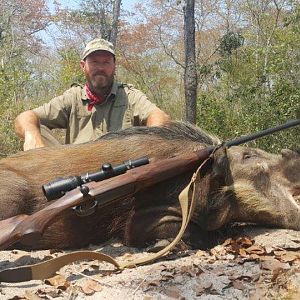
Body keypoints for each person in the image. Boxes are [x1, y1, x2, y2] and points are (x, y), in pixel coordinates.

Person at [15, 38, 170, 151]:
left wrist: (152, 141)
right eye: (94, 62)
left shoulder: (129, 95)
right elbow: (25, 117)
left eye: (106, 62)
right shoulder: (73, 97)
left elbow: (158, 115)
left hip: (122, 172)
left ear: (114, 66)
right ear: (83, 66)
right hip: (75, 170)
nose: (100, 68)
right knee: (36, 127)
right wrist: (31, 134)